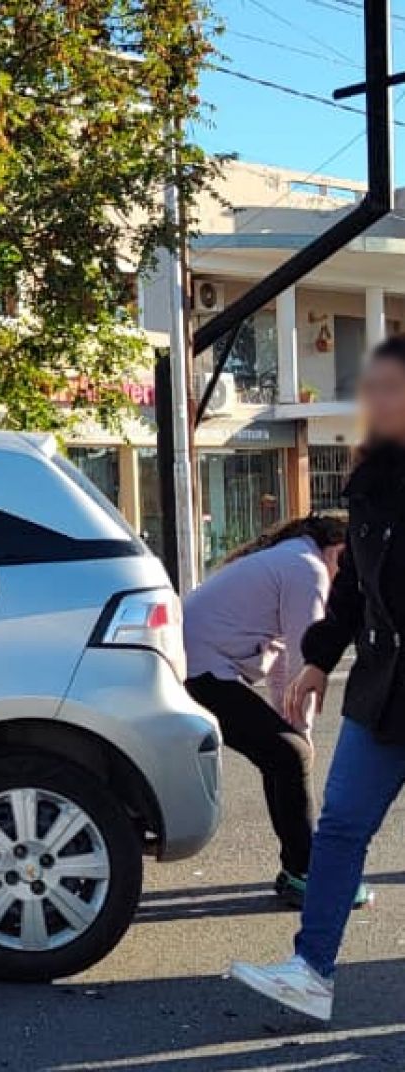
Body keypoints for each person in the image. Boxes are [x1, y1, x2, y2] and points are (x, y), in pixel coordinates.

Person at [230, 334, 405, 1022]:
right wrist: (318, 658)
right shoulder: (370, 484)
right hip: (384, 691)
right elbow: (354, 590)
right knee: (339, 830)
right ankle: (310, 970)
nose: (379, 401)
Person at [184, 514, 371, 909]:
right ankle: (305, 874)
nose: (348, 576)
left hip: (197, 664)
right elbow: (309, 660)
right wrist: (299, 734)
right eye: (347, 561)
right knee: (288, 755)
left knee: (283, 753)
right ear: (335, 548)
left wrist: (292, 725)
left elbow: (287, 663)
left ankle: (297, 869)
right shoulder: (308, 571)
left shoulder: (291, 559)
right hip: (198, 668)